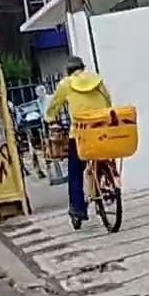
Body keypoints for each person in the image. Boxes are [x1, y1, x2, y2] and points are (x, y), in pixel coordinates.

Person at [45, 55, 113, 225]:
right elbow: (108, 100)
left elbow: (54, 106)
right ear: (83, 68)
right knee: (102, 156)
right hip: (102, 129)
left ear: (69, 72)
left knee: (75, 172)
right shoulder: (97, 80)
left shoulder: (66, 84)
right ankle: (107, 181)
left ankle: (78, 208)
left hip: (81, 134)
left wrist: (51, 118)